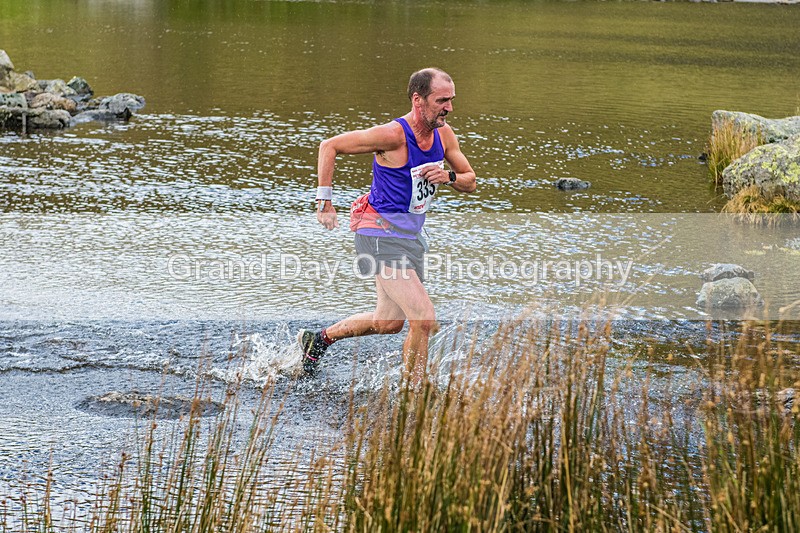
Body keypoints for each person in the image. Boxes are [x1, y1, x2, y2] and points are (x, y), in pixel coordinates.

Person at [298, 67, 476, 384]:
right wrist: (324, 202)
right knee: (423, 319)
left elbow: (470, 180)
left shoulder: (444, 135)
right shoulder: (392, 136)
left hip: (409, 236)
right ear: (418, 100)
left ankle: (319, 339)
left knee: (388, 322)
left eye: (451, 100)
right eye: (442, 100)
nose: (449, 107)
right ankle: (414, 394)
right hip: (377, 232)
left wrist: (448, 177)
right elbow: (329, 146)